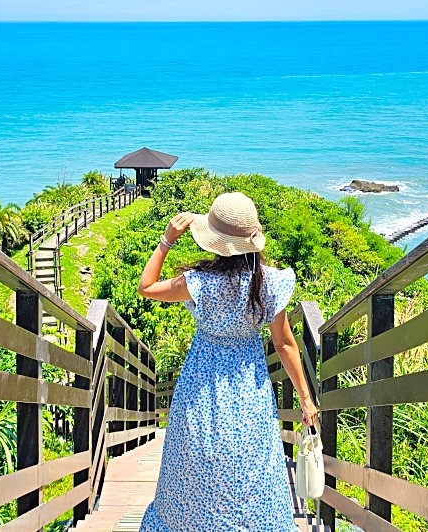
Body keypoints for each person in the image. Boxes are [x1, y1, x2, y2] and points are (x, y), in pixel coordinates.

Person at [136, 192, 319, 532]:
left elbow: (146, 287)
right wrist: (306, 400)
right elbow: (284, 344)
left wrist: (165, 241)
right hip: (250, 392)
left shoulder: (199, 283)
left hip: (200, 389)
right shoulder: (270, 282)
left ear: (215, 243)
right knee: (252, 472)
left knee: (192, 473)